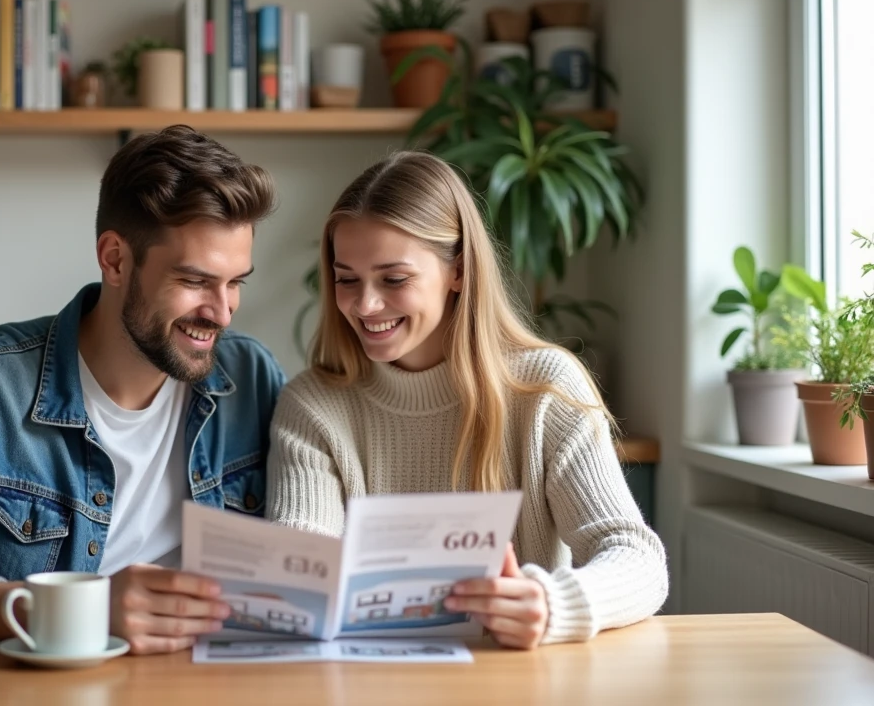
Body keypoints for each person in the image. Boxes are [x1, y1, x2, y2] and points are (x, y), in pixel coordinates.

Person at [0, 125, 285, 655]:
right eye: (194, 281)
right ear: (115, 259)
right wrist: (72, 611)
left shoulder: (251, 377)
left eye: (236, 283)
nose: (222, 312)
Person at [268, 150, 668, 649]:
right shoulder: (313, 406)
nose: (366, 305)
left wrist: (553, 604)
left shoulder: (545, 390)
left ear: (458, 271)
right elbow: (301, 569)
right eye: (347, 279)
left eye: (394, 279)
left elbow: (636, 556)